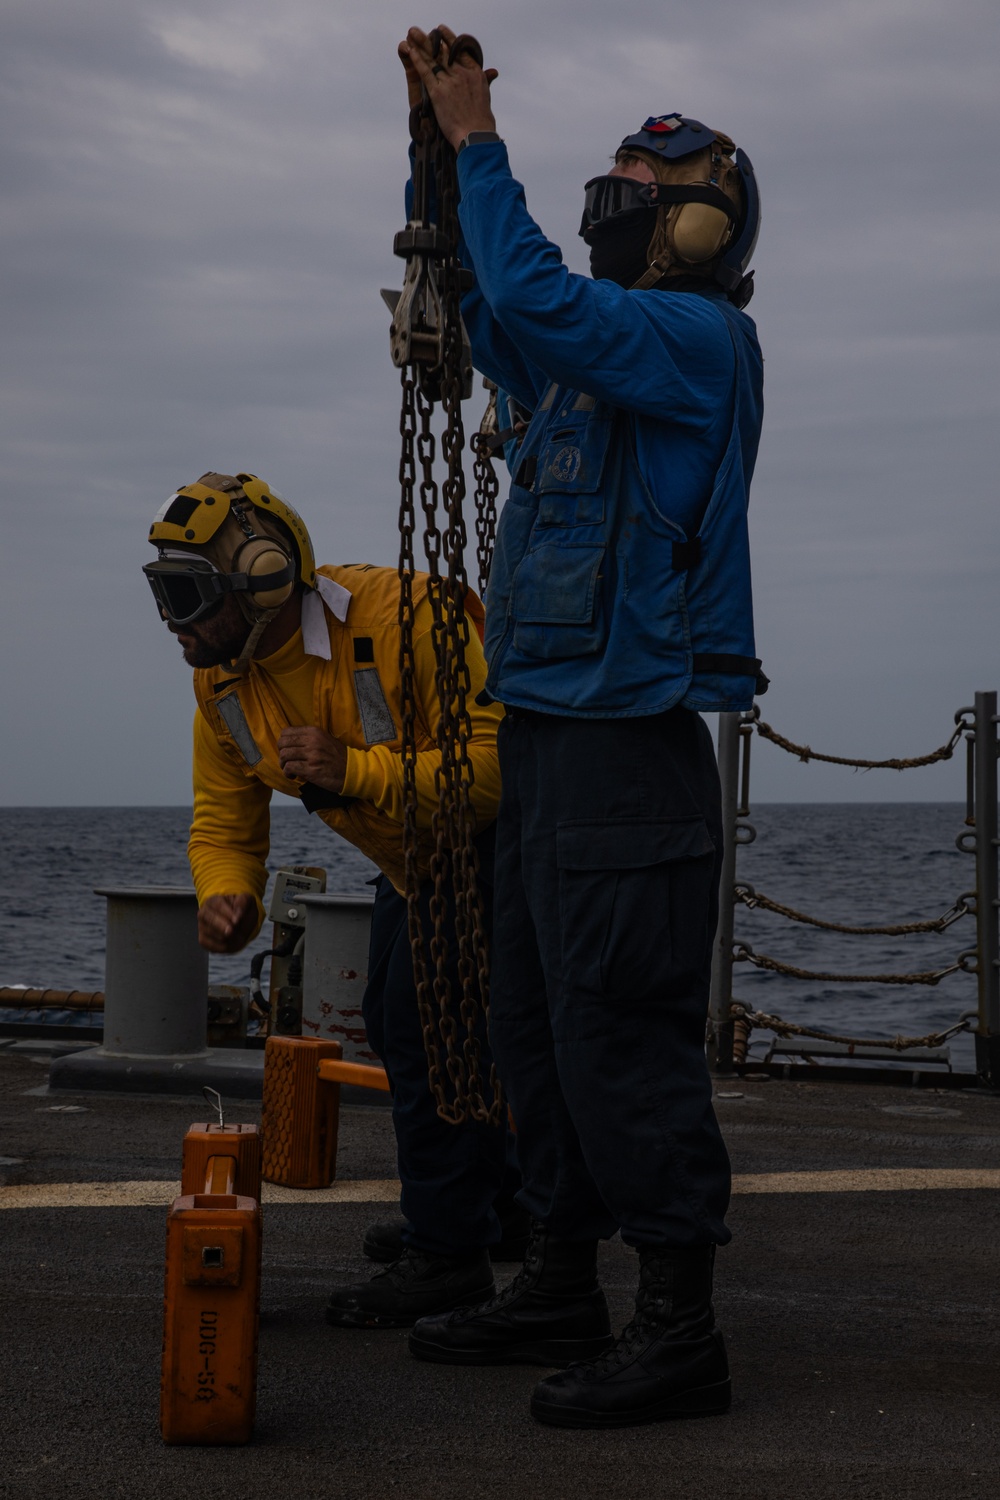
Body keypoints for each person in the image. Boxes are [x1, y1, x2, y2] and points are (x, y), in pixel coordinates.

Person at [396, 29, 765, 1428]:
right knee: (535, 1023)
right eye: (611, 170)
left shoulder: (694, 339)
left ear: (699, 216)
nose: (619, 188)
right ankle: (557, 1273)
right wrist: (436, 160)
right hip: (547, 738)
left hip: (630, 743)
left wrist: (484, 136)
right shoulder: (574, 367)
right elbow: (504, 311)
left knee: (623, 1033)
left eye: (642, 175)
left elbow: (541, 302)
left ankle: (681, 1330)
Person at [143, 469, 526, 1326]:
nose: (173, 624)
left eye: (187, 596)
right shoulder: (222, 685)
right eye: (162, 596)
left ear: (266, 578)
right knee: (408, 1024)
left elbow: (504, 771)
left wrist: (354, 771)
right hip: (414, 855)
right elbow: (224, 821)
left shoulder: (407, 619)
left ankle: (449, 1254)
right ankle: (497, 1212)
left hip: (504, 844)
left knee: (425, 1025)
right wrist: (229, 894)